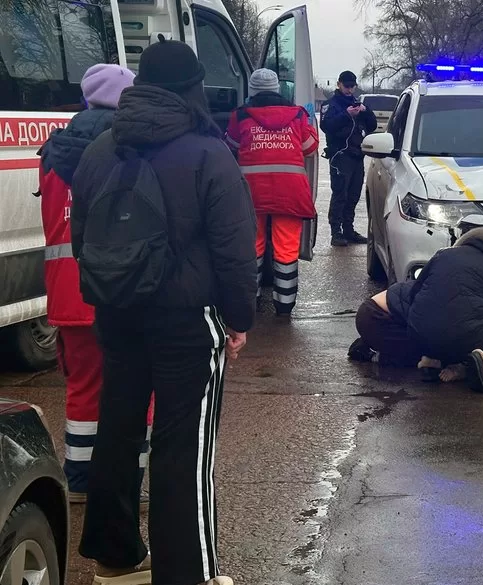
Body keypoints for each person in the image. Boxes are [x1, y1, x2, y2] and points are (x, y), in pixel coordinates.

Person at [71, 39, 255, 585]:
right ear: (192, 88)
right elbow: (233, 248)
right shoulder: (207, 150)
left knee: (119, 429)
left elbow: (83, 233)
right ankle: (188, 574)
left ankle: (116, 557)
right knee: (184, 445)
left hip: (117, 312)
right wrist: (238, 318)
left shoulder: (101, 147)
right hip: (186, 319)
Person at [38, 63, 153, 503]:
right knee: (137, 390)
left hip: (69, 292)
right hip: (122, 291)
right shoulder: (131, 151)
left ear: (85, 99)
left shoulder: (52, 154)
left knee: (83, 387)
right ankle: (131, 483)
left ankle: (81, 482)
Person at [226, 68, 320, 316]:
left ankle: (251, 301)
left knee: (251, 246)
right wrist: (310, 124)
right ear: (278, 89)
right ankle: (284, 305)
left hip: (250, 193)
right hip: (289, 192)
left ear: (252, 91)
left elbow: (230, 146)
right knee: (286, 247)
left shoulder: (241, 116)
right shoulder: (297, 115)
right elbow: (309, 148)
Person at [406, 228, 483, 393]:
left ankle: (432, 361)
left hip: (419, 335)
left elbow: (413, 293)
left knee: (448, 341)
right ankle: (479, 365)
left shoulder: (442, 255)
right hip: (464, 336)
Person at [320, 70, 376, 246]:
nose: (349, 89)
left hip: (356, 156)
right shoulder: (330, 104)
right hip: (340, 156)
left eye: (352, 86)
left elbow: (372, 126)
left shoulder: (356, 103)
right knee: (340, 194)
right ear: (339, 84)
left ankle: (349, 230)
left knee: (353, 195)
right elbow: (326, 125)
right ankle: (336, 232)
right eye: (346, 86)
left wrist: (365, 112)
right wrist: (347, 115)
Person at [349, 281, 422, 367]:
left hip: (373, 311)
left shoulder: (432, 284)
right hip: (374, 317)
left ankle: (371, 344)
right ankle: (370, 353)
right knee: (420, 354)